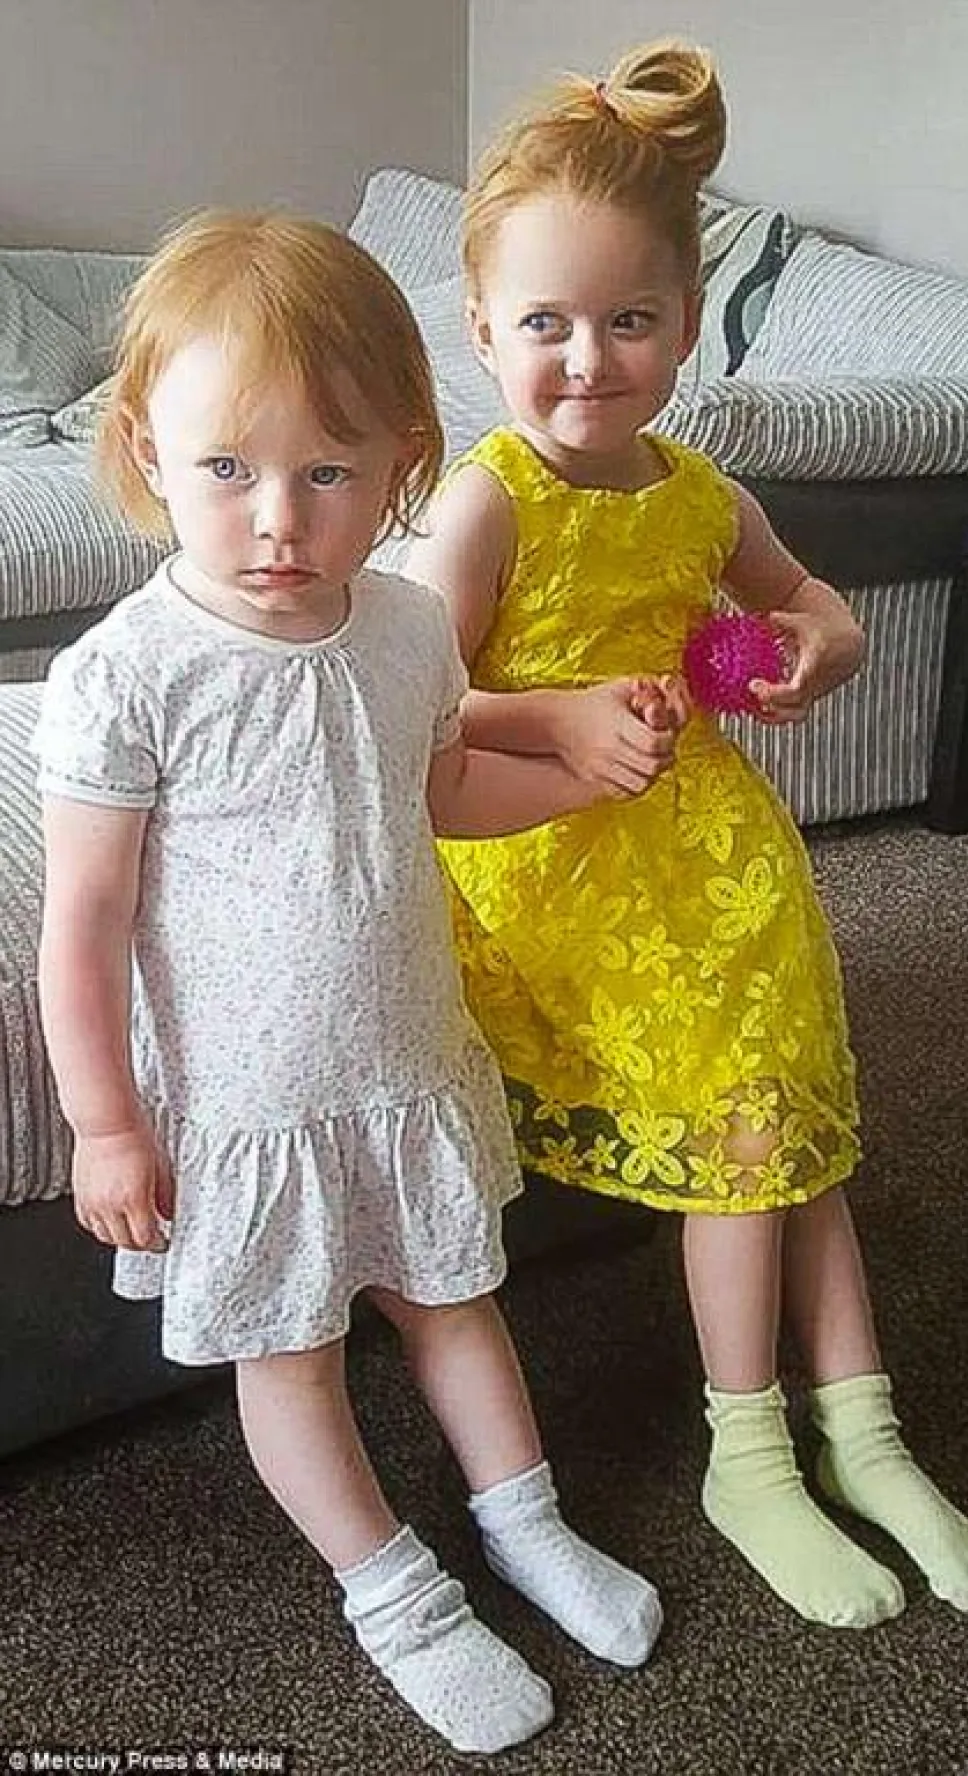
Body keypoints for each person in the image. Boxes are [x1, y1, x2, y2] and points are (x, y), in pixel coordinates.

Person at [32, 210, 664, 1758]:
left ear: (400, 466)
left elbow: (437, 790)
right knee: (293, 1357)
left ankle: (526, 1525)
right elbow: (83, 924)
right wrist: (105, 1126)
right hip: (251, 1109)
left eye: (327, 473)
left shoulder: (404, 627)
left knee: (457, 1301)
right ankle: (397, 1596)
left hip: (405, 1061)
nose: (277, 521)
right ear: (148, 453)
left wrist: (572, 781)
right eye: (227, 470)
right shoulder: (129, 672)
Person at [405, 39, 968, 1631]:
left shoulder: (700, 493)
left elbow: (808, 603)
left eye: (630, 321)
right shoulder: (485, 505)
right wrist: (556, 718)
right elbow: (410, 710)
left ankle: (862, 1430)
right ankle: (749, 1455)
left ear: (685, 324)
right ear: (482, 331)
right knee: (750, 1125)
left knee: (795, 1117)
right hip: (550, 862)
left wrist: (821, 644)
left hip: (709, 854)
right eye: (546, 323)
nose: (588, 359)